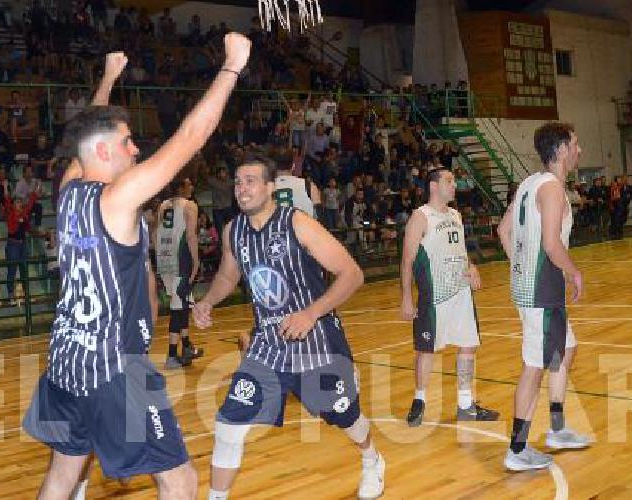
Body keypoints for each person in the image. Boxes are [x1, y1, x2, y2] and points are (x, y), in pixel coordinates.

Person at [21, 34, 252, 500]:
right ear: (105, 153)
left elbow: (85, 135)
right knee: (180, 481)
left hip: (65, 359)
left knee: (65, 471)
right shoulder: (117, 199)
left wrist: (108, 77)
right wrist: (231, 68)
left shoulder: (67, 192)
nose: (135, 150)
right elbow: (189, 139)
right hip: (113, 370)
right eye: (127, 143)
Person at [192, 155, 386, 500]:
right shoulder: (233, 231)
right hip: (268, 345)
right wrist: (208, 300)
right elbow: (226, 275)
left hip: (316, 340)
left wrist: (310, 313)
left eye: (250, 181)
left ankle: (372, 459)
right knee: (229, 426)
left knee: (345, 417)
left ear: (269, 187)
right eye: (237, 182)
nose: (242, 188)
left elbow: (352, 273)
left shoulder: (297, 223)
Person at [496, 122, 592, 472]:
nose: (580, 150)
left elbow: (503, 230)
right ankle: (517, 449)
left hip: (534, 286)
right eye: (576, 144)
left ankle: (556, 428)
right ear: (563, 149)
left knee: (566, 350)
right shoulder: (552, 189)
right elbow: (552, 245)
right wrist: (574, 272)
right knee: (534, 368)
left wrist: (519, 267)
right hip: (541, 290)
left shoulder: (529, 183)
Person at [400, 168, 499, 427]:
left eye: (454, 181)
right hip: (434, 296)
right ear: (433, 186)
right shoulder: (420, 217)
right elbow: (407, 260)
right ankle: (419, 400)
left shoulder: (455, 214)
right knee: (426, 349)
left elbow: (461, 250)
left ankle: (466, 404)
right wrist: (406, 298)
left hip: (461, 292)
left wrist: (472, 266)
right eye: (449, 180)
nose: (454, 185)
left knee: (468, 344)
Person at [155, 177, 205, 369]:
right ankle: (171, 355)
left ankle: (186, 347)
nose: (192, 186)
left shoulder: (163, 206)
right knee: (178, 308)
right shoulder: (189, 206)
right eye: (189, 184)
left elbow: (155, 233)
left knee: (181, 301)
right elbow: (191, 235)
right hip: (180, 258)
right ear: (182, 188)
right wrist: (196, 260)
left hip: (164, 257)